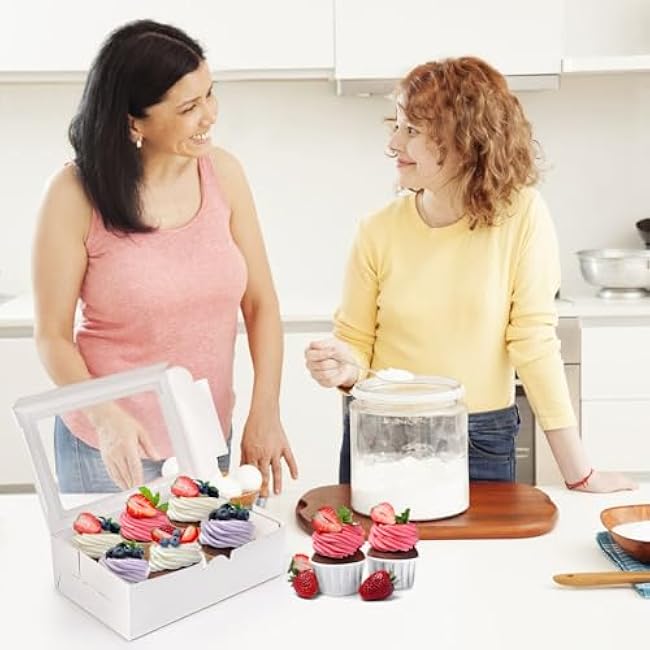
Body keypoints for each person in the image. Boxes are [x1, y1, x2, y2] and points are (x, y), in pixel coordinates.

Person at [305, 56, 635, 493]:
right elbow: (356, 348)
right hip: (382, 434)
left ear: (465, 141)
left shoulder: (522, 215)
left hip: (480, 438)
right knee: (380, 541)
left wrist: (580, 474)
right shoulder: (376, 230)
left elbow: (534, 343)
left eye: (412, 130)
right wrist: (342, 369)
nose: (393, 143)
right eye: (397, 126)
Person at [32, 19, 297, 496]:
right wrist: (105, 416)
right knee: (121, 550)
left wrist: (265, 410)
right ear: (134, 122)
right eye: (189, 107)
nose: (209, 116)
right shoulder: (74, 193)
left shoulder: (224, 175)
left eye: (210, 95)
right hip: (108, 449)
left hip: (205, 438)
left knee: (211, 546)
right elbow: (52, 335)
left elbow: (261, 305)